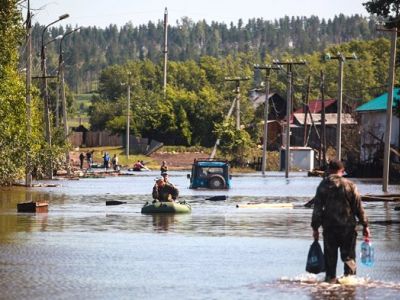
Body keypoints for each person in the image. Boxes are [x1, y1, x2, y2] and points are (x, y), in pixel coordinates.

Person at [311, 159, 370, 283]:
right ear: (342, 171)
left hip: (329, 229)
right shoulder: (350, 185)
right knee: (349, 258)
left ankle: (330, 284)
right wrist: (365, 225)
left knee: (330, 261)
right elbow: (358, 207)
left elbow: (317, 209)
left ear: (329, 170)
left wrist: (315, 228)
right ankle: (349, 288)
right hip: (348, 229)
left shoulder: (323, 186)